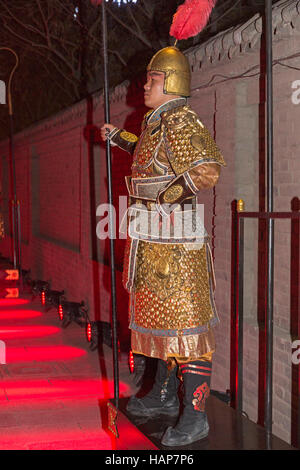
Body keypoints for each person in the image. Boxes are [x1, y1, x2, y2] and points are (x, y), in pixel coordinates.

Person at [101, 46, 226, 447]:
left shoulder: (179, 119)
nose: (145, 85)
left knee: (186, 329)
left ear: (170, 82)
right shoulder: (158, 122)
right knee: (161, 322)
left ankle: (195, 416)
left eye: (152, 78)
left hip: (177, 245)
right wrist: (120, 138)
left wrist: (166, 198)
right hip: (153, 240)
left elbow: (206, 169)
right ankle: (162, 395)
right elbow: (151, 157)